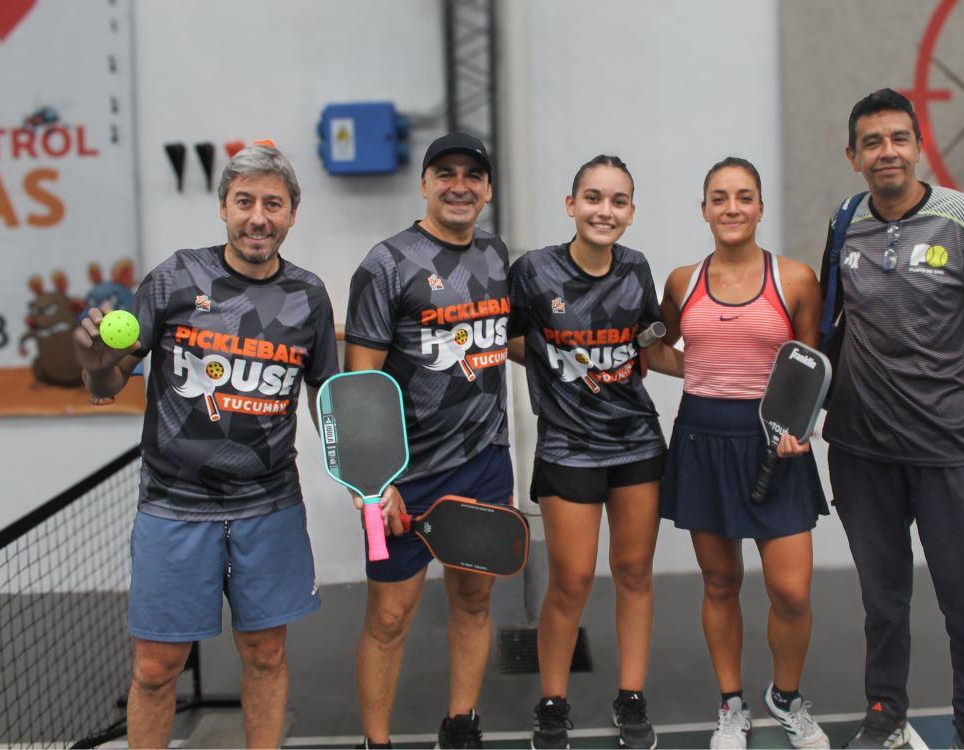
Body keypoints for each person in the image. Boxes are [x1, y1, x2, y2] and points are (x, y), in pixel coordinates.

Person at [74, 142, 338, 748]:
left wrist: (367, 484)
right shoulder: (175, 277)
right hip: (172, 505)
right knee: (154, 668)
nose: (258, 217)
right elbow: (108, 383)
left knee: (267, 656)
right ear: (224, 207)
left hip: (269, 505)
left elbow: (329, 398)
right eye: (245, 201)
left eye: (273, 203)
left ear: (292, 214)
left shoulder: (308, 295)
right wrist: (92, 368)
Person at [822, 89, 964, 750]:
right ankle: (886, 712)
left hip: (950, 452)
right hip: (861, 450)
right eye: (872, 141)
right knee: (883, 600)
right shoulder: (844, 221)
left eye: (898, 138)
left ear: (918, 146)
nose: (886, 151)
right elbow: (832, 327)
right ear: (853, 156)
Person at [507, 155, 682, 750]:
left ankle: (630, 698)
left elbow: (651, 345)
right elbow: (505, 339)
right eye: (593, 197)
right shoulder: (532, 271)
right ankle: (553, 702)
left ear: (631, 213)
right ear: (571, 204)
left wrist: (724, 367)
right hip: (567, 446)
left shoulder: (636, 269)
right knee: (571, 580)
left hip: (636, 441)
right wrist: (565, 371)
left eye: (618, 201)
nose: (604, 210)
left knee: (634, 573)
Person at [345, 132, 512, 749]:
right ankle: (376, 742)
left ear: (488, 190)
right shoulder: (385, 263)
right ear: (424, 184)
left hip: (485, 463)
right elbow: (359, 386)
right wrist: (374, 484)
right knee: (388, 619)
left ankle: (461, 724)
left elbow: (508, 342)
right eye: (445, 173)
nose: (460, 184)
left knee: (473, 601)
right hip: (401, 477)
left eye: (473, 175)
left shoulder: (496, 255)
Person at [658, 157, 830, 750]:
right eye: (719, 197)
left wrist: (800, 427)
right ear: (704, 208)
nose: (732, 207)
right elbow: (660, 347)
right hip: (703, 438)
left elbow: (812, 370)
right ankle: (731, 705)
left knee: (792, 592)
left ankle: (785, 698)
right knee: (720, 582)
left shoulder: (797, 279)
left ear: (760, 207)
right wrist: (699, 370)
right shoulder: (682, 280)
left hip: (775, 445)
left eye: (744, 197)